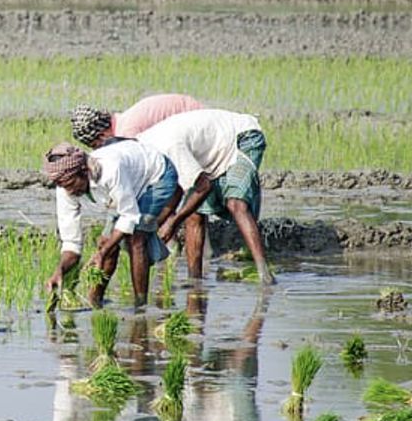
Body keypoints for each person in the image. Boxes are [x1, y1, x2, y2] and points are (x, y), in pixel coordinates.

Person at [136, 108, 276, 284]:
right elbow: (176, 191)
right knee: (194, 214)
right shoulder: (145, 151)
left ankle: (265, 274)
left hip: (241, 137)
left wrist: (173, 223)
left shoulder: (167, 147)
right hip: (210, 156)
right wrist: (155, 225)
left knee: (236, 203)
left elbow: (203, 186)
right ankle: (194, 279)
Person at [42, 140, 179, 307]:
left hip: (157, 175)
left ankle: (140, 306)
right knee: (107, 243)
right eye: (65, 187)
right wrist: (60, 271)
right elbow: (72, 243)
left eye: (72, 185)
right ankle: (95, 301)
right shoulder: (65, 187)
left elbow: (129, 215)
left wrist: (102, 253)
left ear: (84, 171)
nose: (70, 191)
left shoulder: (110, 170)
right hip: (126, 187)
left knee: (136, 237)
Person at [70, 94, 205, 149]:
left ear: (102, 135)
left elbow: (143, 164)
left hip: (196, 123)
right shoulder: (124, 120)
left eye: (96, 145)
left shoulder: (127, 133)